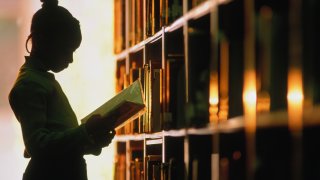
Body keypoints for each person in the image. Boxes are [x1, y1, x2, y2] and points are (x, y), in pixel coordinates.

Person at [8, 0, 115, 179]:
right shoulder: (30, 85)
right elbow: (38, 146)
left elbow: (58, 145)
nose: (71, 59)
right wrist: (85, 132)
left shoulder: (41, 80)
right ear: (43, 41)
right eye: (67, 50)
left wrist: (92, 141)